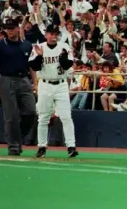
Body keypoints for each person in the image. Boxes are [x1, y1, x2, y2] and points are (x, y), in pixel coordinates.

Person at [28, 24, 79, 158]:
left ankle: (71, 146)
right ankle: (42, 147)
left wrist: (63, 58)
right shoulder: (40, 47)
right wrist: (39, 56)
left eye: (55, 34)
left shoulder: (64, 46)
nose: (53, 36)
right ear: (46, 35)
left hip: (61, 84)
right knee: (43, 117)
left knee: (66, 116)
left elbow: (68, 64)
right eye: (50, 33)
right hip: (45, 84)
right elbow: (33, 66)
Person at [0, 18, 37, 156]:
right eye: (7, 28)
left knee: (31, 111)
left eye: (12, 28)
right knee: (11, 116)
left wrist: (35, 82)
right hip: (6, 79)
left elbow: (32, 65)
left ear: (18, 28)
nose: (9, 31)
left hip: (24, 80)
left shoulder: (27, 45)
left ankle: (17, 137)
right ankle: (13, 146)